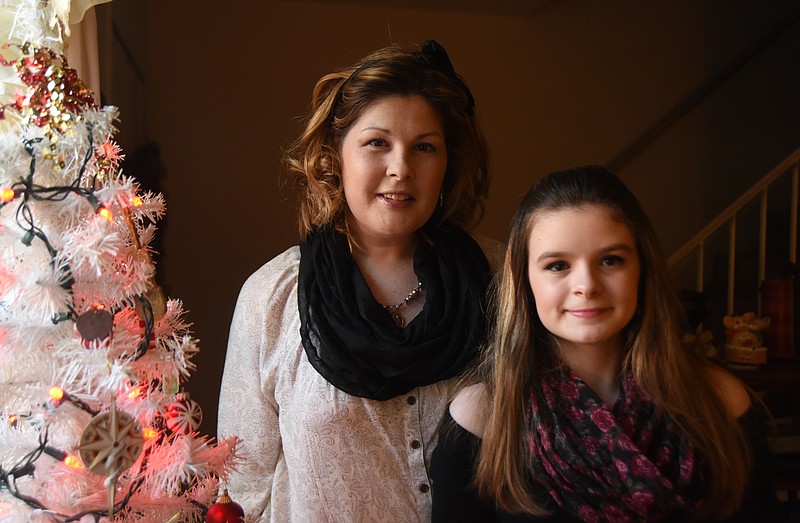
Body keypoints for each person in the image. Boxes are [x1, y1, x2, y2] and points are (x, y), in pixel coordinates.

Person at [217, 39, 502, 521]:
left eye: (425, 147)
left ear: (447, 162)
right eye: (377, 143)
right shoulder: (272, 297)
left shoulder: (499, 279)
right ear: (334, 154)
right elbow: (244, 487)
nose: (400, 168)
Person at [430, 166, 781, 522]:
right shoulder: (483, 417)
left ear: (641, 270)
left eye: (610, 260)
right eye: (557, 265)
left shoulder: (722, 402)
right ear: (524, 281)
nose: (587, 285)